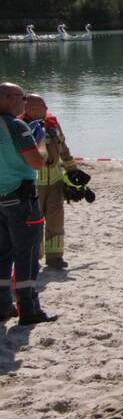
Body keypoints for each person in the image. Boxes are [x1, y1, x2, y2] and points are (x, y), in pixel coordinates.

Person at [0, 82, 56, 325]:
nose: (24, 102)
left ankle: (3, 305)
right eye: (22, 97)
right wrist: (41, 143)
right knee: (28, 254)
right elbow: (36, 162)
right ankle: (29, 309)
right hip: (20, 198)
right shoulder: (15, 126)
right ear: (10, 98)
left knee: (2, 254)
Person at [20, 94, 79, 270]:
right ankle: (34, 256)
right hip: (32, 181)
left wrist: (73, 172)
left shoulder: (52, 124)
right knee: (33, 220)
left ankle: (55, 257)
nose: (43, 109)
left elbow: (63, 148)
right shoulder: (19, 126)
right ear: (26, 108)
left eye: (43, 106)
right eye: (37, 106)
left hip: (55, 180)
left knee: (56, 219)